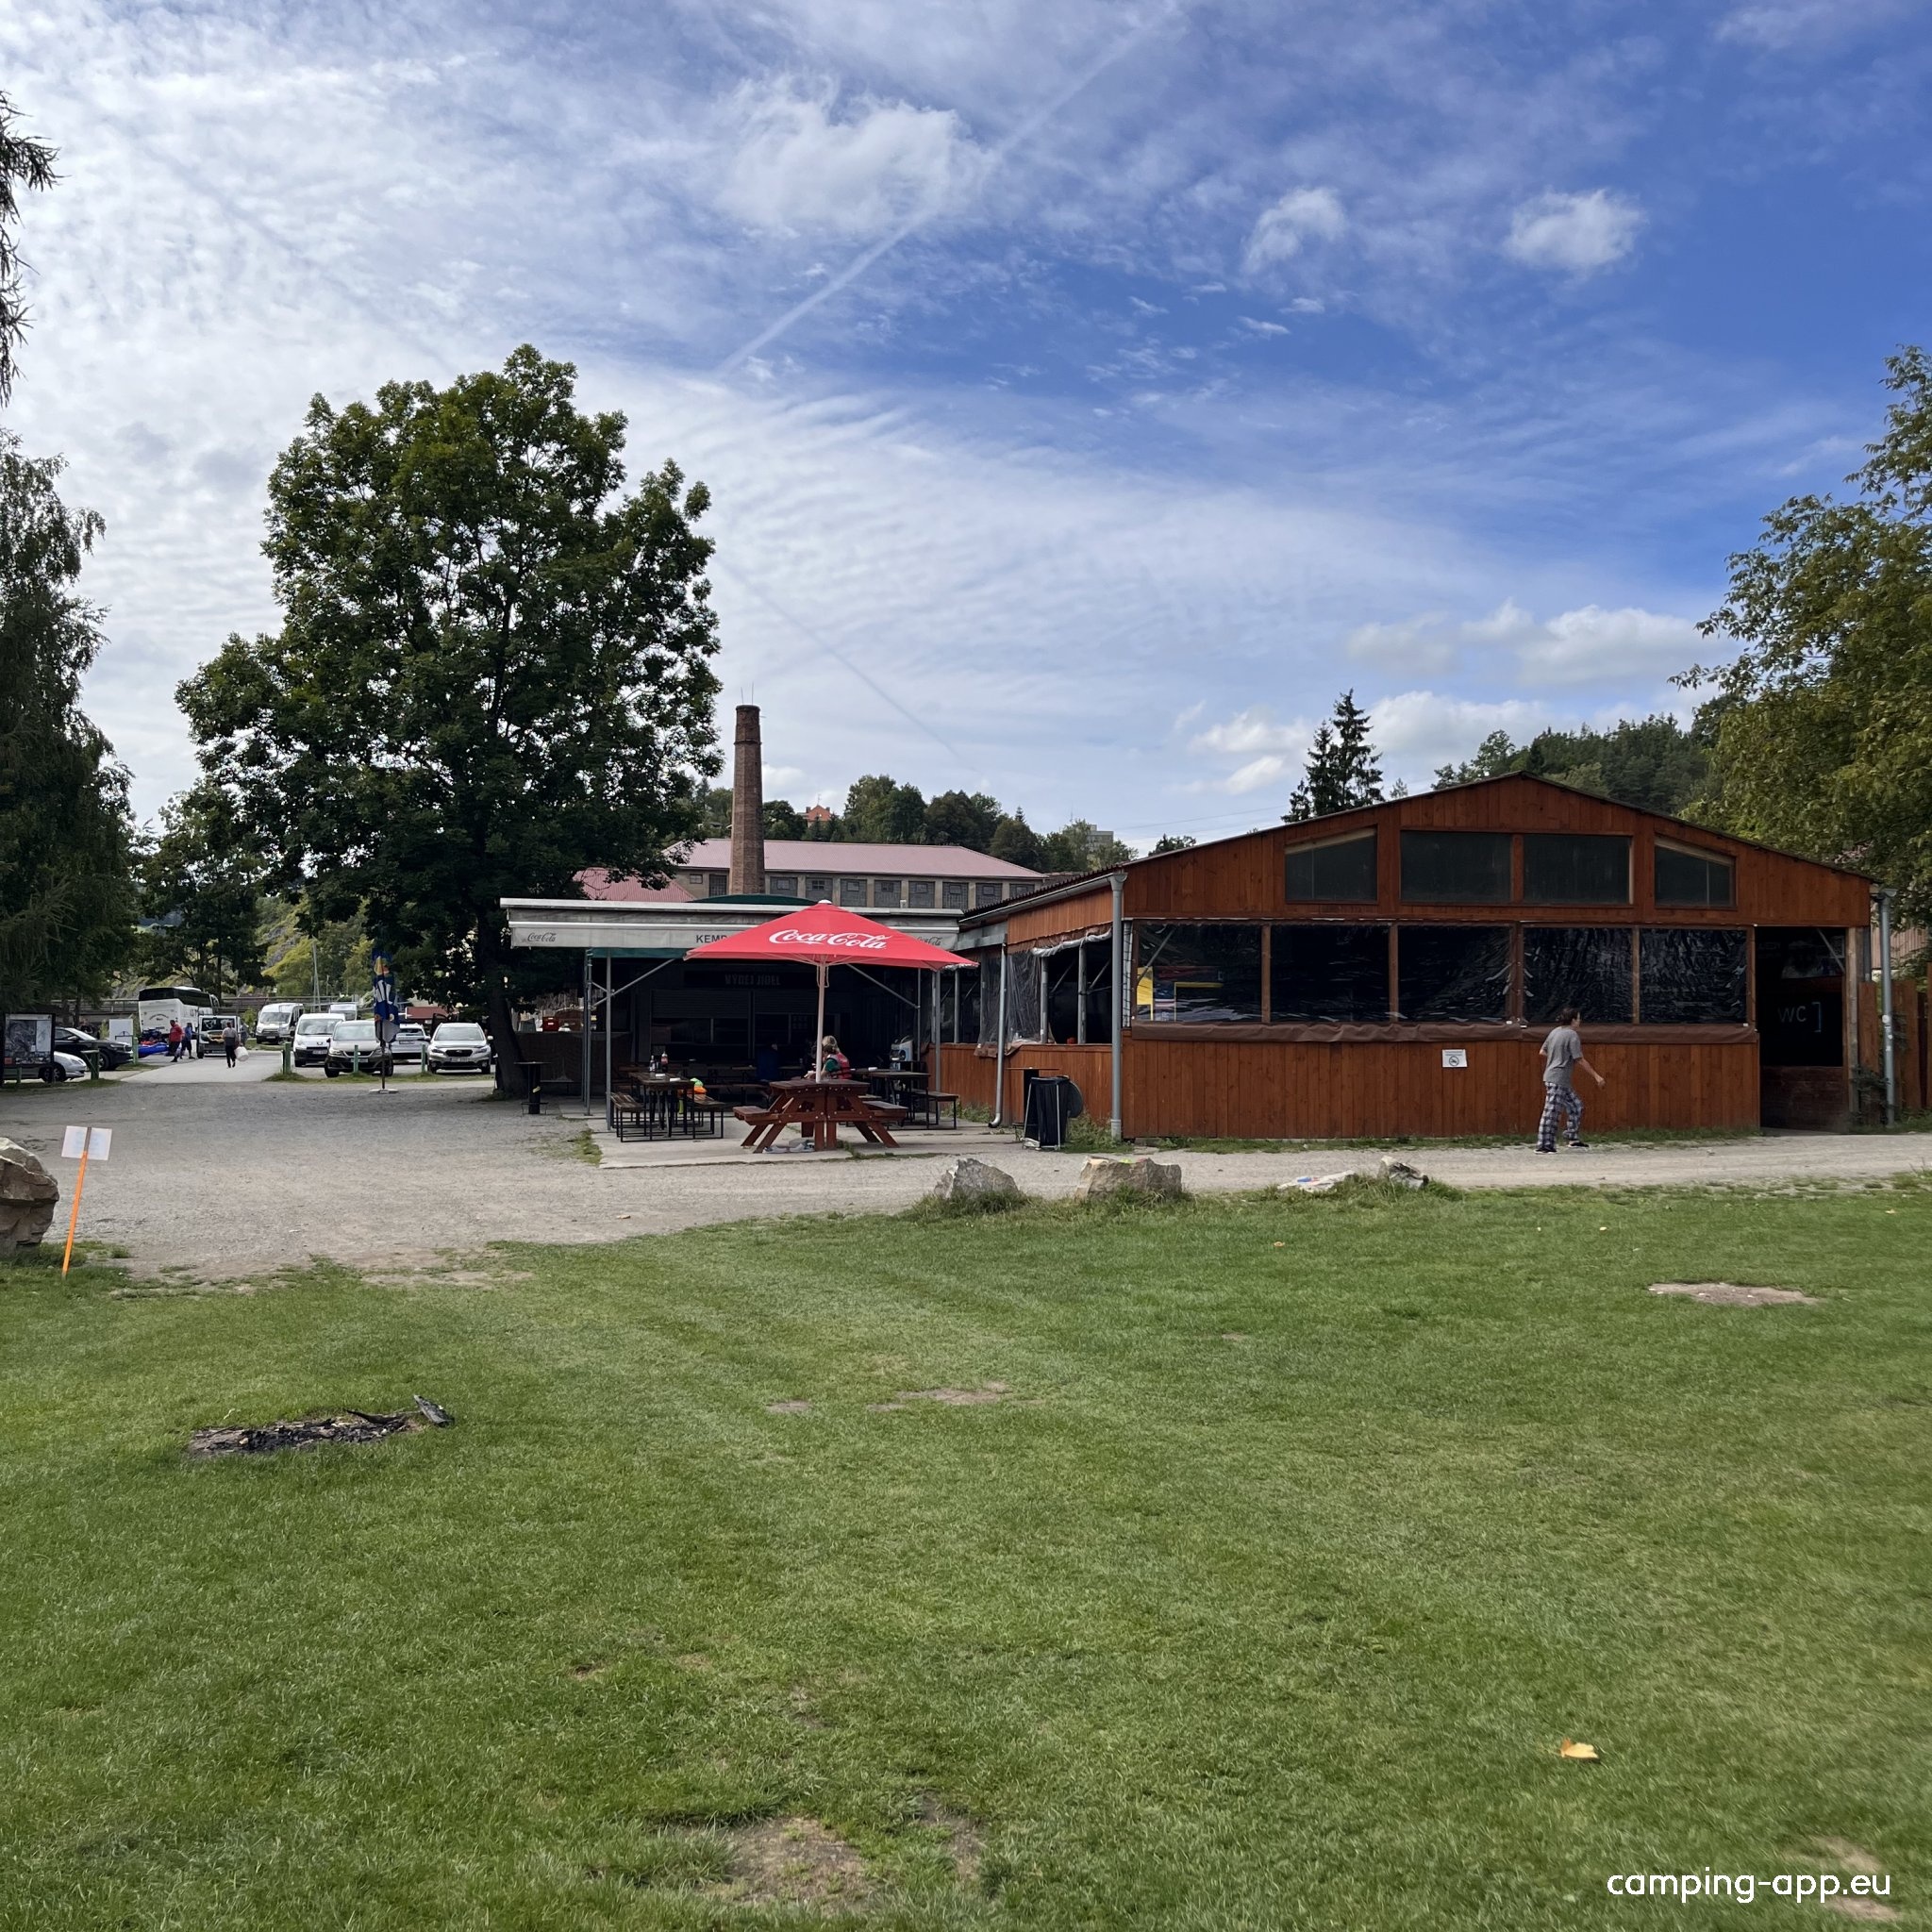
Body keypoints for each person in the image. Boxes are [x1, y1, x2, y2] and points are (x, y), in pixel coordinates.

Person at [1536, 1006, 1605, 1152]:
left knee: (1576, 1106)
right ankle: (1544, 1145)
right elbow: (1579, 1059)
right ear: (1573, 1020)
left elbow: (1542, 1051)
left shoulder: (1554, 1032)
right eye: (1578, 1019)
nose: (1580, 1022)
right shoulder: (1572, 1035)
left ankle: (1572, 1137)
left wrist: (1556, 1057)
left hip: (1558, 1078)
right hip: (1558, 1078)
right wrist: (1596, 1076)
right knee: (1551, 1112)